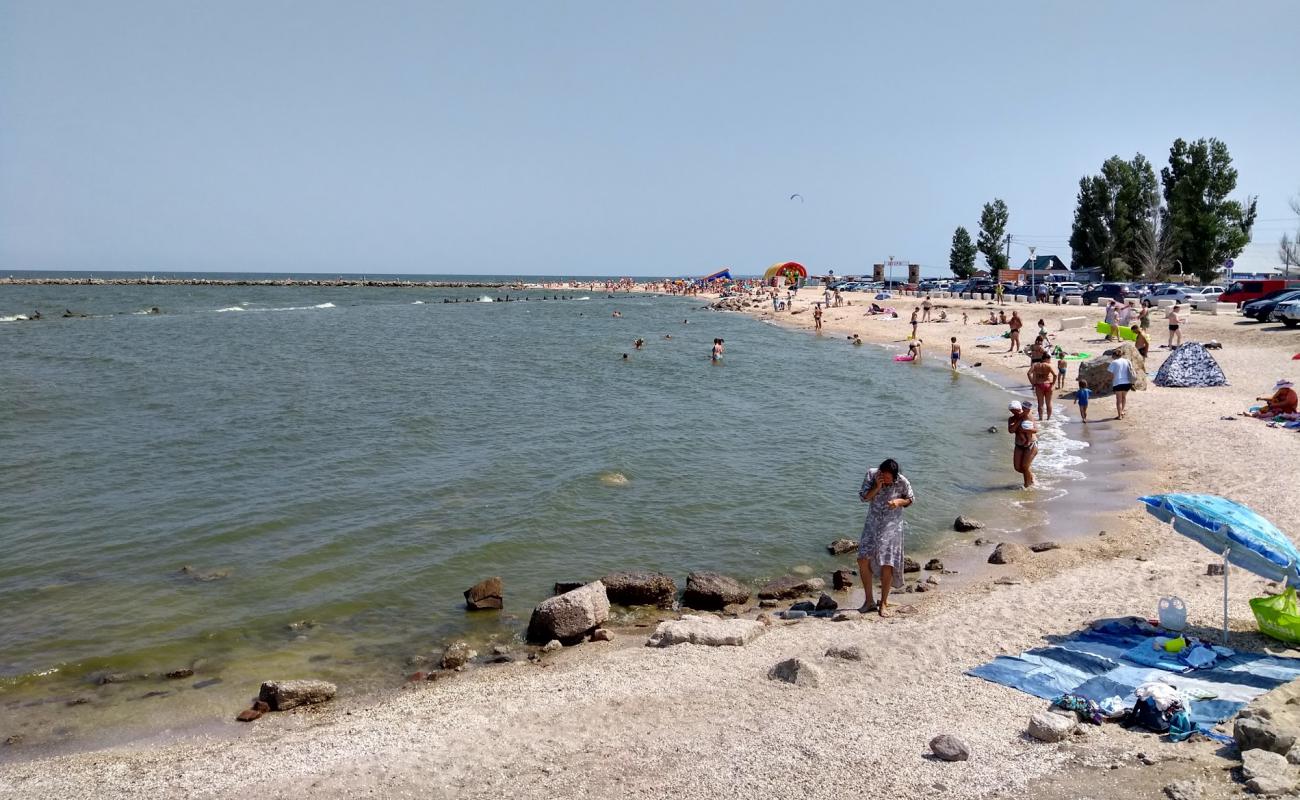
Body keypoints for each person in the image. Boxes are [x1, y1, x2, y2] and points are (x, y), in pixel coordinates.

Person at [855, 458, 915, 617]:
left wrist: (899, 501)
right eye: (883, 475)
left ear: (895, 476)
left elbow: (910, 499)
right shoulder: (872, 475)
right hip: (872, 524)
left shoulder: (902, 481)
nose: (886, 479)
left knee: (887, 563)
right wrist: (877, 486)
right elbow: (863, 498)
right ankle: (869, 601)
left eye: (888, 478)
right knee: (862, 559)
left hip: (892, 527)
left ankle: (884, 603)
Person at [1008, 401, 1038, 488]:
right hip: (1019, 445)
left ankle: (1027, 486)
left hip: (1031, 444)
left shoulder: (1028, 416)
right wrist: (1019, 421)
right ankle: (1031, 476)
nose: (1014, 412)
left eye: (1016, 410)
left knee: (1025, 466)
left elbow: (1035, 430)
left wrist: (1023, 430)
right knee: (1017, 467)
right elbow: (1011, 430)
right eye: (1012, 411)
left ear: (1020, 409)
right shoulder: (1011, 419)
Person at [1027, 354, 1057, 420]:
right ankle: (1048, 419)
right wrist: (1053, 384)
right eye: (1049, 359)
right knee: (1048, 403)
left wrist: (1032, 383)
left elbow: (1029, 373)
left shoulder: (1035, 365)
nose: (1050, 361)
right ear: (1046, 359)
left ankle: (1041, 418)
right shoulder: (1048, 365)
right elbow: (1055, 375)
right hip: (1048, 384)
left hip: (1039, 385)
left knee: (1040, 404)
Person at [1108, 349, 1135, 419]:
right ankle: (1122, 411)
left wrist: (1109, 381)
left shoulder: (1114, 362)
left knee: (1118, 400)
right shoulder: (1127, 361)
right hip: (1127, 383)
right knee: (1124, 397)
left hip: (1117, 383)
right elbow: (1131, 370)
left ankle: (1119, 415)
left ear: (1114, 355)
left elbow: (1111, 375)